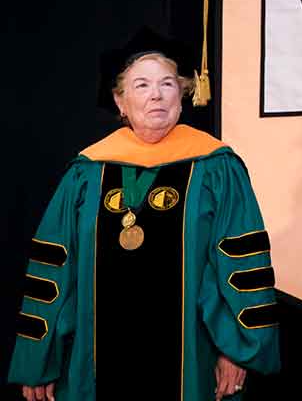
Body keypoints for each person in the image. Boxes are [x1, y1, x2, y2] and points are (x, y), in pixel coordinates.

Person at [7, 27, 281, 401]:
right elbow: (55, 271)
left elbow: (240, 267)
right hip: (95, 364)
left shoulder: (217, 169)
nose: (156, 94)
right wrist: (40, 361)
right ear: (120, 101)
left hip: (191, 362)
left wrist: (235, 350)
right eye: (141, 85)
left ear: (182, 96)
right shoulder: (86, 173)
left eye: (167, 84)